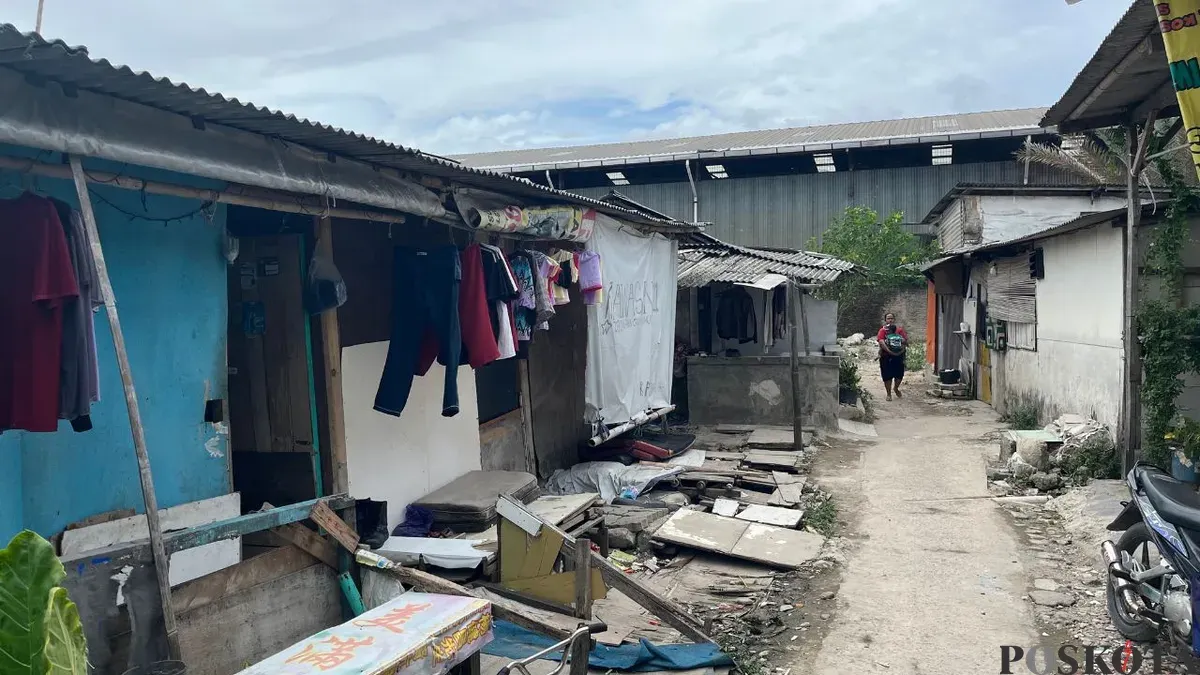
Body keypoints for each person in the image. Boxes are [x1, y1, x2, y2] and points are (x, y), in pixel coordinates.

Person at [876, 312, 908, 401]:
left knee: (899, 375)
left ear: (894, 320)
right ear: (885, 320)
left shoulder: (900, 330)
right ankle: (889, 394)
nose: (890, 320)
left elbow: (905, 341)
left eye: (891, 318)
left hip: (899, 356)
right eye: (888, 318)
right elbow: (881, 342)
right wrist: (889, 351)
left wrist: (901, 350)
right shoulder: (882, 331)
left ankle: (896, 388)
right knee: (887, 376)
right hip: (886, 356)